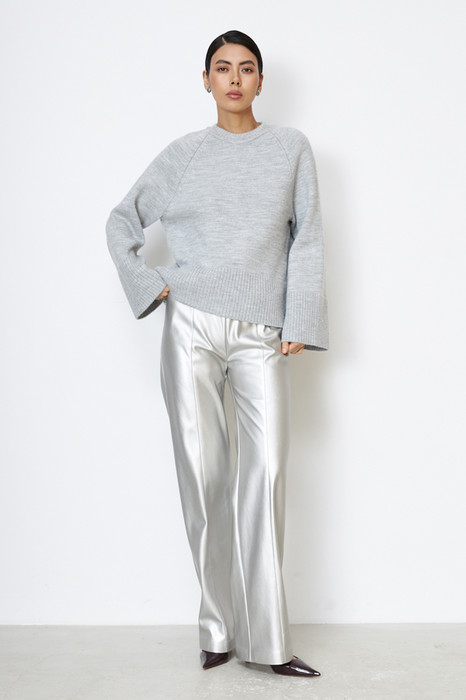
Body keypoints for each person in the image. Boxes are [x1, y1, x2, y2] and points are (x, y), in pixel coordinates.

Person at [105, 29, 328, 678]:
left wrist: (299, 318)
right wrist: (151, 284)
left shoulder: (290, 149)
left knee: (267, 475)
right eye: (223, 68)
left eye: (247, 68)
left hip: (261, 332)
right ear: (205, 80)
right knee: (204, 480)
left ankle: (269, 644)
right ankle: (216, 629)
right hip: (192, 328)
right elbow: (121, 221)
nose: (235, 79)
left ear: (260, 80)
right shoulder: (184, 155)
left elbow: (308, 238)